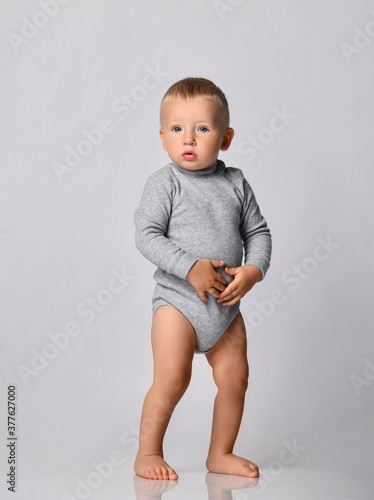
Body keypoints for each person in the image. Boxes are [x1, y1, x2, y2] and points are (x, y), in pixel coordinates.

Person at [133, 77, 272, 481]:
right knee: (173, 378)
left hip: (226, 308)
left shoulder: (236, 183)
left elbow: (258, 233)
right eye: (177, 129)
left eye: (203, 129)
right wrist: (190, 267)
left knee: (236, 378)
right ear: (162, 138)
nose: (188, 138)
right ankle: (147, 453)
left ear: (226, 138)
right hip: (178, 303)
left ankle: (220, 453)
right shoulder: (166, 183)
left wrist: (254, 270)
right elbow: (146, 235)